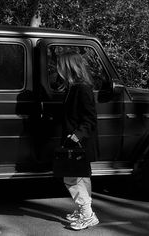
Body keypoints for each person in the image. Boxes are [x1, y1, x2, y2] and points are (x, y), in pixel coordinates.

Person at [56, 50, 99, 230]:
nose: (57, 69)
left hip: (78, 143)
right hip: (76, 142)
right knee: (81, 178)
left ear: (69, 67)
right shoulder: (73, 87)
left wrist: (76, 136)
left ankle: (88, 215)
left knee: (72, 180)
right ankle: (85, 212)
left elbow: (90, 118)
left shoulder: (82, 89)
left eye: (60, 65)